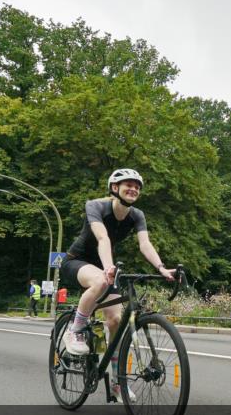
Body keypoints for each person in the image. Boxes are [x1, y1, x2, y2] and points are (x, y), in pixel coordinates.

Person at [59, 169, 174, 398]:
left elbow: (145, 244)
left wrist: (161, 268)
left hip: (105, 265)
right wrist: (109, 267)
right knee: (100, 280)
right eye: (128, 185)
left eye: (137, 187)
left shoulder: (136, 215)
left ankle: (117, 382)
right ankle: (75, 330)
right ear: (114, 188)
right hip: (77, 261)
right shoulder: (96, 206)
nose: (133, 189)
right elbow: (103, 238)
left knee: (115, 321)